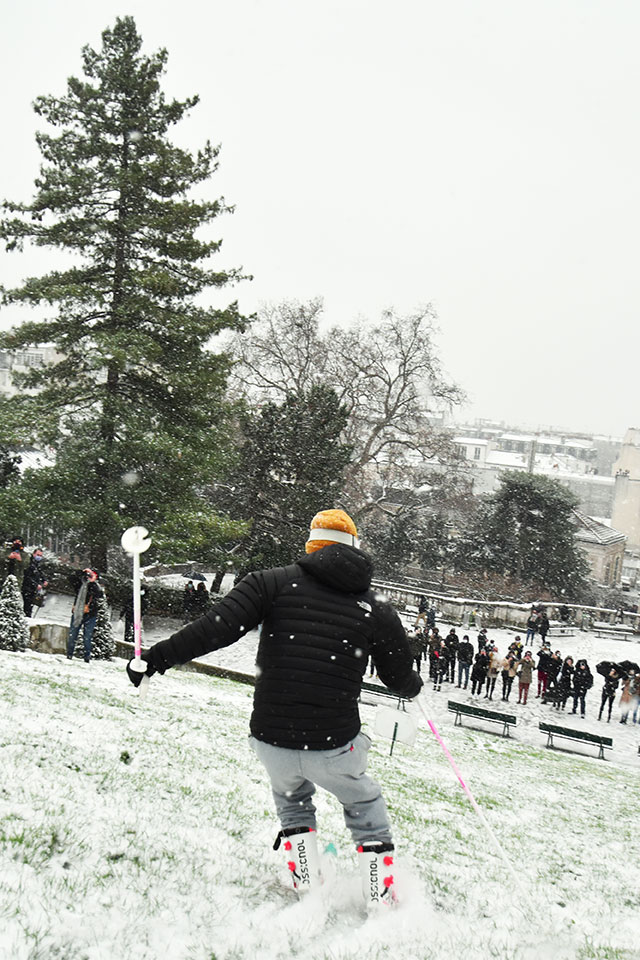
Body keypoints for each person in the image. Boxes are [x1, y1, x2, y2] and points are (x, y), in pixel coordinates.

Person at [126, 508, 422, 909]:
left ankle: (305, 879)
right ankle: (379, 892)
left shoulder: (270, 582)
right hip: (334, 742)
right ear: (354, 548)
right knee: (363, 802)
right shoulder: (375, 606)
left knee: (292, 797)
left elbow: (215, 628)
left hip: (272, 737)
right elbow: (397, 676)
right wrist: (412, 685)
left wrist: (154, 659)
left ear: (312, 546)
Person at [66, 568, 103, 662]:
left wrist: (93, 581)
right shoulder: (81, 584)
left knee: (87, 637)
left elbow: (99, 594)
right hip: (78, 612)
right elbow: (70, 578)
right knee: (73, 635)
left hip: (90, 614)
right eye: (89, 574)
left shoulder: (96, 586)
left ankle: (87, 657)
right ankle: (69, 654)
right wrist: (82, 572)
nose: (90, 576)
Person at [21, 548, 48, 617]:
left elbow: (40, 573)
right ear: (34, 554)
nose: (39, 557)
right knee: (27, 605)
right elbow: (27, 576)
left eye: (40, 555)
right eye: (38, 555)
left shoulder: (37, 564)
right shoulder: (29, 563)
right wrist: (36, 585)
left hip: (33, 589)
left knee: (30, 605)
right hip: (27, 588)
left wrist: (44, 580)